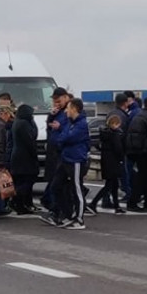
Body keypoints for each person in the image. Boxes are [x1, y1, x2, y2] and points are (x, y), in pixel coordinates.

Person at [42, 97, 90, 229]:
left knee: (77, 189)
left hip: (76, 159)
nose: (66, 111)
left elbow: (68, 137)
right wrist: (62, 137)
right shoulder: (70, 123)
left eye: (68, 108)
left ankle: (79, 219)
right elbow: (60, 136)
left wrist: (62, 138)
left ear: (74, 109)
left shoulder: (81, 124)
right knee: (55, 186)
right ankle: (67, 214)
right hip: (65, 158)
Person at [87, 113, 125, 214]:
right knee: (110, 185)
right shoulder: (115, 134)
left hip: (106, 160)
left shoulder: (104, 133)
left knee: (113, 184)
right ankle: (93, 203)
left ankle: (117, 206)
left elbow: (97, 145)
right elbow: (118, 149)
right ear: (115, 124)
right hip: (114, 161)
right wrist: (121, 158)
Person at [125, 96, 147, 211]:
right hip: (145, 151)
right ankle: (134, 202)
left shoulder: (138, 115)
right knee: (144, 177)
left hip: (134, 149)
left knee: (145, 176)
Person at [41, 87, 69, 211]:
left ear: (65, 97)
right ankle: (50, 202)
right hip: (53, 149)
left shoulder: (69, 110)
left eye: (58, 101)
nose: (56, 104)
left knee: (58, 180)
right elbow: (49, 128)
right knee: (53, 178)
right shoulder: (57, 112)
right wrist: (51, 117)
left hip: (62, 150)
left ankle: (56, 207)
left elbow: (71, 128)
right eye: (54, 101)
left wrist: (60, 126)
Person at [10, 103, 39, 213]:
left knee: (20, 181)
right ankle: (18, 202)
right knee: (26, 182)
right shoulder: (24, 124)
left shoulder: (17, 122)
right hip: (25, 158)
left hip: (17, 157)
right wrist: (34, 154)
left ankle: (20, 203)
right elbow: (31, 138)